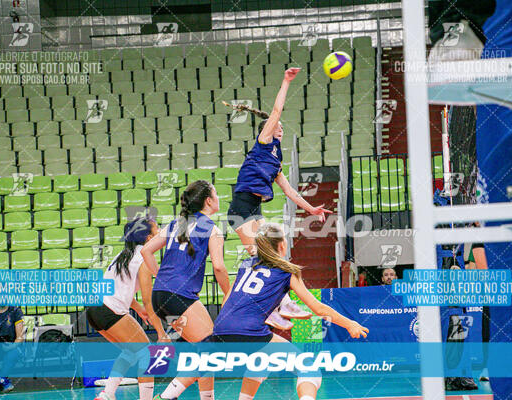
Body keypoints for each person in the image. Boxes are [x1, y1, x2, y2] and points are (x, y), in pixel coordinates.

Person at [154, 223, 368, 400]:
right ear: (282, 245)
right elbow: (318, 307)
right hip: (249, 332)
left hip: (222, 326)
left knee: (213, 359)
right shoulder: (287, 271)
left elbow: (231, 298)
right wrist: (349, 323)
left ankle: (166, 396)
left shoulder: (246, 265)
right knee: (308, 367)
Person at [223, 67, 332, 330]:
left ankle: (280, 303)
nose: (280, 128)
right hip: (241, 208)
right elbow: (276, 112)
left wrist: (312, 210)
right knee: (257, 254)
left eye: (282, 128)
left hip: (255, 210)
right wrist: (285, 81)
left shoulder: (276, 159)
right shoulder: (262, 142)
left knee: (274, 254)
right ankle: (272, 307)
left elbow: (290, 192)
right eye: (277, 127)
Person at [141, 180, 230, 400]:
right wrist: (228, 294)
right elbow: (218, 267)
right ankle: (167, 396)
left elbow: (146, 251)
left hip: (160, 295)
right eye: (216, 194)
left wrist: (160, 275)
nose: (219, 197)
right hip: (179, 296)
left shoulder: (175, 224)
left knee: (204, 351)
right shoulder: (212, 229)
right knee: (210, 351)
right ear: (208, 201)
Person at [86, 218, 169, 400]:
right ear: (149, 238)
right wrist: (161, 333)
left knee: (130, 352)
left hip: (93, 310)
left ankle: (107, 394)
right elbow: (148, 301)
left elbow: (122, 290)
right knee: (146, 355)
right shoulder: (144, 258)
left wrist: (138, 310)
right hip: (110, 311)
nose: (161, 232)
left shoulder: (123, 255)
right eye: (157, 230)